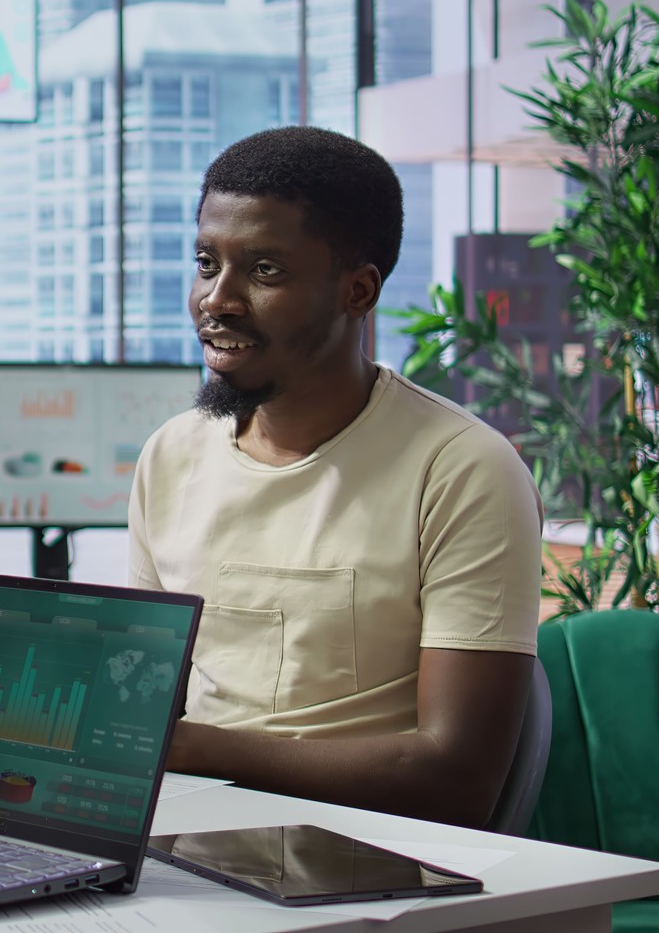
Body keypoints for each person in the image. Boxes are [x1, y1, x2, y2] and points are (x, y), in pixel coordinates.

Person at [129, 126, 540, 829]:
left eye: (264, 271)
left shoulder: (461, 467)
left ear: (358, 290)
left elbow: (458, 776)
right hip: (187, 837)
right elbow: (137, 708)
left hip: (371, 857)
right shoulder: (171, 456)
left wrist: (193, 750)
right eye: (206, 263)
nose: (216, 300)